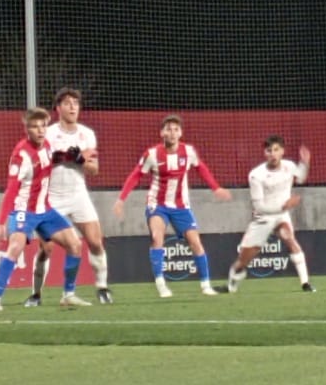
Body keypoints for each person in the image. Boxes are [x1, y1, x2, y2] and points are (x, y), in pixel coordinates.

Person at [114, 114, 232, 297]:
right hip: (157, 204)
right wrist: (122, 199)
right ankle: (161, 284)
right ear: (162, 133)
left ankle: (206, 286)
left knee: (195, 242)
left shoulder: (188, 152)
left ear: (181, 133)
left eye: (176, 129)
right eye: (168, 129)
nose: (173, 133)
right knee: (156, 236)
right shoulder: (152, 154)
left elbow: (201, 168)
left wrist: (215, 188)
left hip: (181, 206)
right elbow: (136, 175)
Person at [0, 108, 85, 311]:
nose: (40, 130)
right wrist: (0, 223)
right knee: (15, 247)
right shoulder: (21, 156)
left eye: (43, 126)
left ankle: (68, 294)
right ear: (27, 129)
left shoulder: (47, 145)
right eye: (35, 126)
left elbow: (51, 159)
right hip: (24, 210)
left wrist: (70, 156)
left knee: (75, 245)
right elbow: (11, 190)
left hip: (46, 210)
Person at [25, 87, 111, 307]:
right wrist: (69, 156)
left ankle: (102, 287)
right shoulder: (50, 132)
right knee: (47, 248)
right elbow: (42, 159)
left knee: (95, 241)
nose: (73, 106)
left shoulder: (87, 134)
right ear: (58, 108)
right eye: (68, 103)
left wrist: (80, 160)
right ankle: (36, 294)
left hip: (78, 195)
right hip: (51, 196)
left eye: (76, 103)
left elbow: (94, 169)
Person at [228, 136, 315, 293]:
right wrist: (284, 206)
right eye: (269, 150)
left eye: (276, 150)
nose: (273, 154)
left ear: (282, 151)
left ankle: (305, 283)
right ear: (264, 153)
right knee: (244, 259)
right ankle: (233, 280)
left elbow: (301, 178)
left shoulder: (289, 166)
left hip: (281, 216)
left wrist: (305, 163)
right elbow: (259, 206)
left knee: (289, 237)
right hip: (263, 218)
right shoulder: (256, 175)